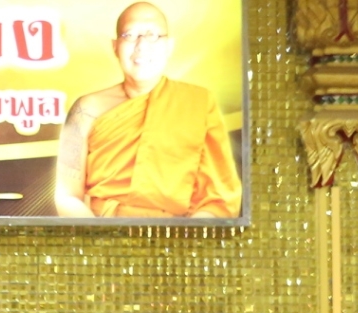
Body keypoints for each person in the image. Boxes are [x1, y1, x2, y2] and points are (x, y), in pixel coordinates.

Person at [54, 2, 243, 219]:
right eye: (129, 35)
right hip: (103, 229)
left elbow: (219, 198)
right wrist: (101, 235)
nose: (141, 45)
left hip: (177, 234)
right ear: (115, 46)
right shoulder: (86, 109)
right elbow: (67, 196)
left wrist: (183, 237)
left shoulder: (198, 102)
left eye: (152, 35)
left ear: (169, 46)